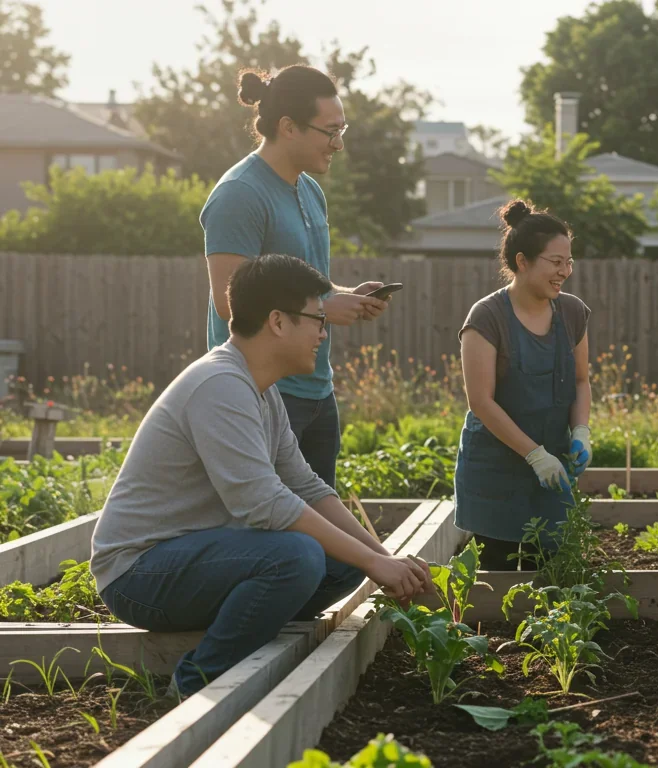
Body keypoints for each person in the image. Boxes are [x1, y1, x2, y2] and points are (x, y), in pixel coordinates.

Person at [91, 255, 431, 698]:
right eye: (317, 320)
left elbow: (306, 487)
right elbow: (263, 502)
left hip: (195, 558)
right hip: (139, 574)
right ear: (277, 322)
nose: (323, 334)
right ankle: (199, 684)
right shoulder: (220, 386)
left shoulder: (260, 390)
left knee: (337, 558)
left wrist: (383, 559)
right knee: (297, 556)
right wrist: (374, 564)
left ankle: (248, 637)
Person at [201, 64, 392, 490]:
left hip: (316, 391)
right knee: (273, 535)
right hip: (263, 392)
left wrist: (345, 296)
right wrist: (327, 307)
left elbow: (302, 286)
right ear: (288, 127)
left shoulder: (310, 190)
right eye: (330, 131)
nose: (339, 143)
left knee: (318, 532)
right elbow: (229, 300)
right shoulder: (239, 194)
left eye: (343, 129)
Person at [454, 200, 593, 571]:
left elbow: (581, 379)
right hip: (495, 475)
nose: (565, 271)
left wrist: (581, 429)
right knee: (494, 583)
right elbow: (481, 401)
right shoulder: (486, 317)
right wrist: (534, 454)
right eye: (556, 262)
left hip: (552, 476)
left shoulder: (573, 312)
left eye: (569, 262)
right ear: (522, 261)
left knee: (547, 583)